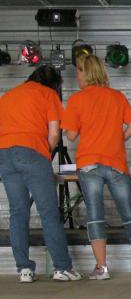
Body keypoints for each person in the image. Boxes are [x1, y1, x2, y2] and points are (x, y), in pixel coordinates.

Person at [62, 54, 131, 281]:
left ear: (86, 73)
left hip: (89, 164)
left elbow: (70, 135)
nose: (77, 75)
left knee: (95, 215)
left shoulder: (77, 100)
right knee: (129, 214)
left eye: (79, 70)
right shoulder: (117, 96)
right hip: (116, 163)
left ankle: (102, 268)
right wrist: (117, 140)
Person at [0, 65, 82, 283]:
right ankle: (62, 268)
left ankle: (24, 270)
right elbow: (54, 133)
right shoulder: (48, 94)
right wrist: (44, 157)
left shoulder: (8, 96)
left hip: (4, 154)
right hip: (32, 151)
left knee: (18, 213)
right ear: (53, 85)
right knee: (48, 213)